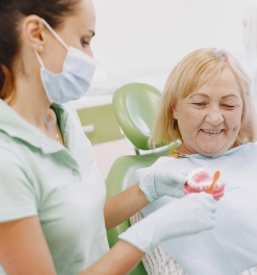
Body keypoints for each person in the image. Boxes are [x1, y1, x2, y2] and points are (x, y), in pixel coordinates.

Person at [0, 1, 217, 274]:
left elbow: (80, 221)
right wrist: (148, 233)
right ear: (37, 34)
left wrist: (149, 188)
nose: (90, 56)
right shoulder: (6, 158)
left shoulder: (63, 116)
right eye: (84, 40)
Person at [130, 48, 257, 275]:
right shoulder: (154, 185)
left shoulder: (251, 157)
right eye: (199, 103)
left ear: (243, 110)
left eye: (228, 105)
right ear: (174, 108)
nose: (216, 118)